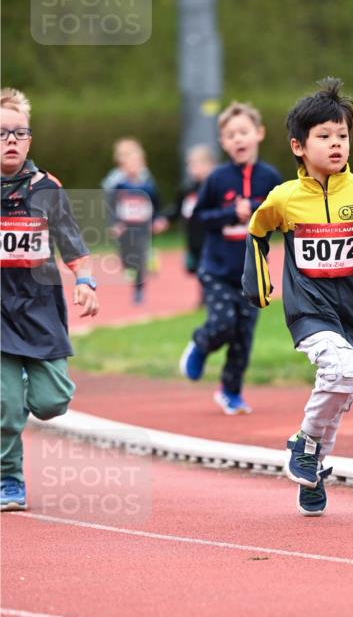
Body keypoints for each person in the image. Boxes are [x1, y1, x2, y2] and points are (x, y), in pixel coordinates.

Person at [243, 78, 353, 516]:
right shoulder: (284, 198)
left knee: (344, 385)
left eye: (342, 136)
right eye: (324, 136)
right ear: (299, 146)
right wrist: (258, 279)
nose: (336, 144)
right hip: (307, 309)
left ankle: (312, 469)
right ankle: (303, 444)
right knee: (341, 370)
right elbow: (257, 231)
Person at [1, 87, 99, 511]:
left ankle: (14, 394)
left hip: (40, 310)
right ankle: (9, 479)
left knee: (51, 402)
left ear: (30, 140)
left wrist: (86, 282)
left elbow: (72, 244)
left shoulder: (47, 188)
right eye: (2, 133)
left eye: (19, 133)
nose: (11, 141)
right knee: (6, 408)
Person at [179, 102, 282, 414]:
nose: (238, 139)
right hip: (217, 269)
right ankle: (200, 343)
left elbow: (282, 218)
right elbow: (197, 216)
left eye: (244, 132)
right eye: (230, 135)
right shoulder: (217, 178)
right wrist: (229, 213)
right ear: (223, 142)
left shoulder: (270, 178)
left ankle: (230, 391)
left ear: (259, 134)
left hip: (252, 274)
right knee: (223, 323)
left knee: (242, 338)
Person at [101, 138, 165, 305]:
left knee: (139, 257)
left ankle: (139, 290)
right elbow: (110, 206)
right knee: (126, 257)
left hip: (142, 227)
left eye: (137, 163)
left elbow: (157, 203)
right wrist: (114, 223)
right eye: (129, 163)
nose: (134, 167)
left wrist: (157, 219)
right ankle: (141, 262)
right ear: (122, 165)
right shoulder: (119, 185)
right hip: (125, 228)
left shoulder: (148, 185)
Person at [161, 144, 217, 303]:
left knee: (210, 269)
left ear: (209, 165)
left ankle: (209, 298)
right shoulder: (188, 189)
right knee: (197, 269)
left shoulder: (215, 188)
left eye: (196, 164)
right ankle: (205, 296)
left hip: (211, 237)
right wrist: (164, 219)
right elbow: (177, 208)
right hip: (193, 238)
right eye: (190, 165)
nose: (192, 168)